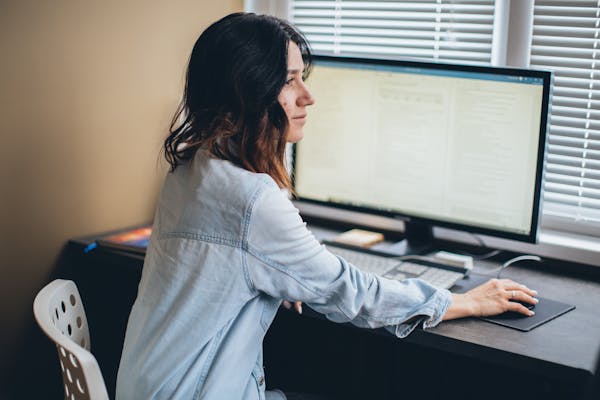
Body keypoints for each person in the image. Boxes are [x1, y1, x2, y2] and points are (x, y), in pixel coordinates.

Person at [116, 12, 538, 400]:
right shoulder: (253, 199)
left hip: (150, 385)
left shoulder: (191, 168)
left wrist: (275, 273)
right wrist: (462, 302)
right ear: (249, 90)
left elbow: (215, 265)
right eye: (289, 80)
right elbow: (352, 292)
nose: (308, 96)